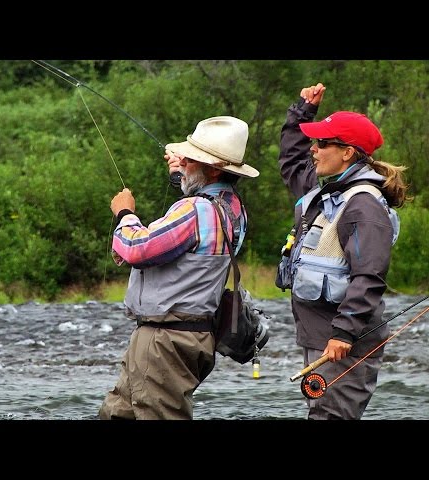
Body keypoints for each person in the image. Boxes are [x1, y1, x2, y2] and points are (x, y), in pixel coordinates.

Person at [98, 116, 259, 420]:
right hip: (194, 336)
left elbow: (136, 249)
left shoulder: (194, 211)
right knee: (117, 413)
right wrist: (183, 171)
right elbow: (197, 211)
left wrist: (124, 213)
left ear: (212, 169)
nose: (183, 161)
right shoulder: (234, 208)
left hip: (164, 340)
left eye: (192, 159)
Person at [276, 83, 410, 419]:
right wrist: (302, 112)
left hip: (342, 343)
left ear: (347, 152)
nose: (314, 149)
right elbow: (292, 161)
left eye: (322, 143)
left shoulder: (363, 207)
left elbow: (369, 277)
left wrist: (343, 333)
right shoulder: (325, 195)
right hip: (322, 338)